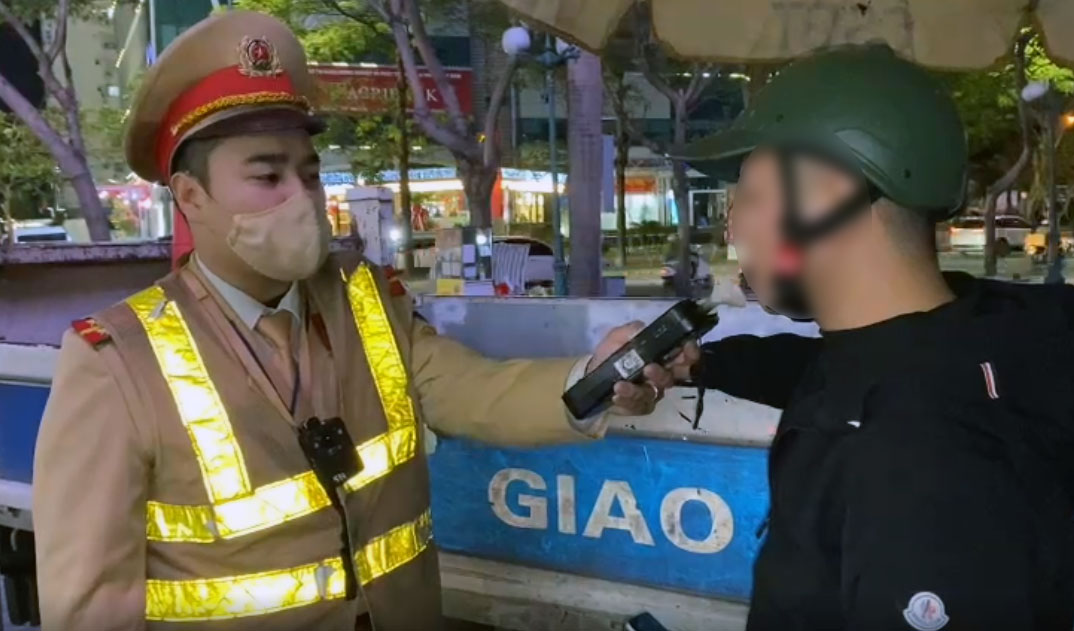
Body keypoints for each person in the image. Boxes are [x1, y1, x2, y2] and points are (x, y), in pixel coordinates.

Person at [31, 11, 697, 631]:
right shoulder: (116, 360)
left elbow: (475, 391)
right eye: (268, 177)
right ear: (192, 196)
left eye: (310, 173)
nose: (302, 198)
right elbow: (90, 606)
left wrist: (595, 373)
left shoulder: (366, 300)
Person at [679, 44, 1074, 630]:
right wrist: (695, 363)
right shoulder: (979, 334)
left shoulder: (920, 463)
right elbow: (831, 370)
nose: (734, 228)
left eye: (752, 199)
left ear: (830, 196)